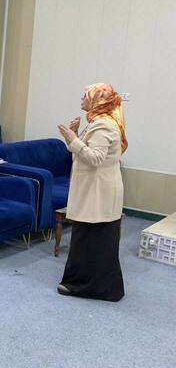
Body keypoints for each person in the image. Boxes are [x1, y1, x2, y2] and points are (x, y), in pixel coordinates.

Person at [56, 83, 126, 302]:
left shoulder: (103, 125)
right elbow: (83, 153)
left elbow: (94, 158)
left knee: (91, 239)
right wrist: (74, 136)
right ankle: (93, 286)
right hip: (97, 190)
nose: (82, 99)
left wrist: (72, 137)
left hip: (97, 192)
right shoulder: (98, 122)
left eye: (85, 96)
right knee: (92, 239)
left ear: (98, 100)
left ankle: (85, 286)